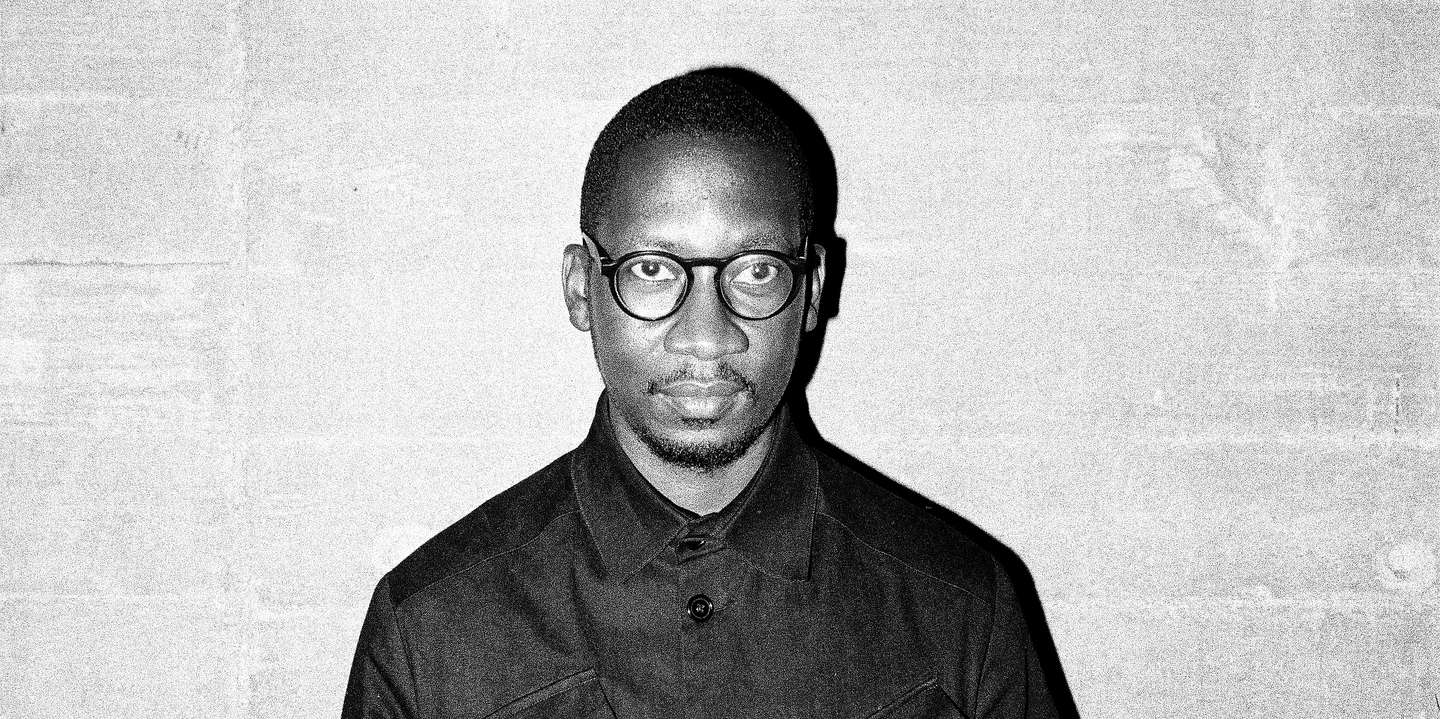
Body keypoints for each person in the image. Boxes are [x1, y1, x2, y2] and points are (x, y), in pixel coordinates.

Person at [342, 69, 1060, 719]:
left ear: (812, 290)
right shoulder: (429, 634)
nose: (707, 336)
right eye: (653, 270)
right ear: (581, 288)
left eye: (756, 271)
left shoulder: (961, 614)